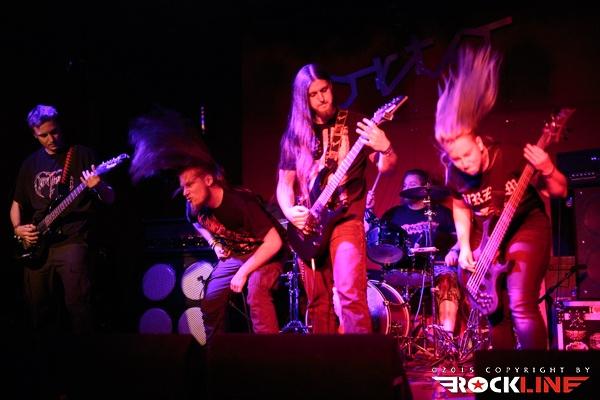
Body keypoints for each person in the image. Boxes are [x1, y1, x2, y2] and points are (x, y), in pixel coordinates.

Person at [434, 45, 568, 349]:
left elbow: (560, 190)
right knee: (495, 313)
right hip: (489, 237)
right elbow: (459, 204)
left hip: (525, 227)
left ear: (480, 144)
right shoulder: (455, 174)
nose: (463, 163)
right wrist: (464, 245)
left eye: (467, 154)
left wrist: (548, 168)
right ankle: (503, 372)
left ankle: (535, 374)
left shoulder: (509, 157)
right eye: (456, 159)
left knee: (520, 303)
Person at [129, 110, 285, 342]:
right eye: (183, 186)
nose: (185, 192)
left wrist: (243, 272)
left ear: (209, 180)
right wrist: (213, 243)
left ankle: (270, 354)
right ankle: (215, 353)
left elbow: (274, 242)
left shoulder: (240, 203)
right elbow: (195, 223)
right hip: (237, 255)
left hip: (266, 253)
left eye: (190, 185)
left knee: (256, 291)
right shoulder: (194, 207)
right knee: (211, 299)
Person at [276, 63, 397, 334]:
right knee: (318, 303)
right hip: (310, 226)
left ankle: (361, 358)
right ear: (302, 99)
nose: (322, 98)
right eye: (313, 94)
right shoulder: (295, 136)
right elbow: (284, 184)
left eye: (325, 89)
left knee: (349, 294)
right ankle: (325, 359)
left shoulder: (355, 123)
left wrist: (386, 148)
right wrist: (289, 212)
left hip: (346, 219)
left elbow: (386, 167)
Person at [10, 104, 115, 334]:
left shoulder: (82, 155)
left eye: (54, 131)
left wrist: (98, 186)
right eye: (43, 135)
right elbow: (17, 204)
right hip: (37, 245)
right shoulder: (29, 164)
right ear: (34, 135)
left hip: (73, 240)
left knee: (79, 308)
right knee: (38, 311)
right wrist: (17, 228)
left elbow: (110, 198)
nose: (51, 139)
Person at [372, 169, 461, 334]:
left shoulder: (441, 213)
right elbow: (373, 234)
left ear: (424, 187)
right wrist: (368, 210)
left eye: (412, 184)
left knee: (448, 280)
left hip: (437, 266)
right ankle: (396, 336)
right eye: (405, 185)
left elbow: (461, 237)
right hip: (404, 268)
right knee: (383, 285)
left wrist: (454, 251)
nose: (407, 188)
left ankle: (446, 336)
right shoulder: (393, 215)